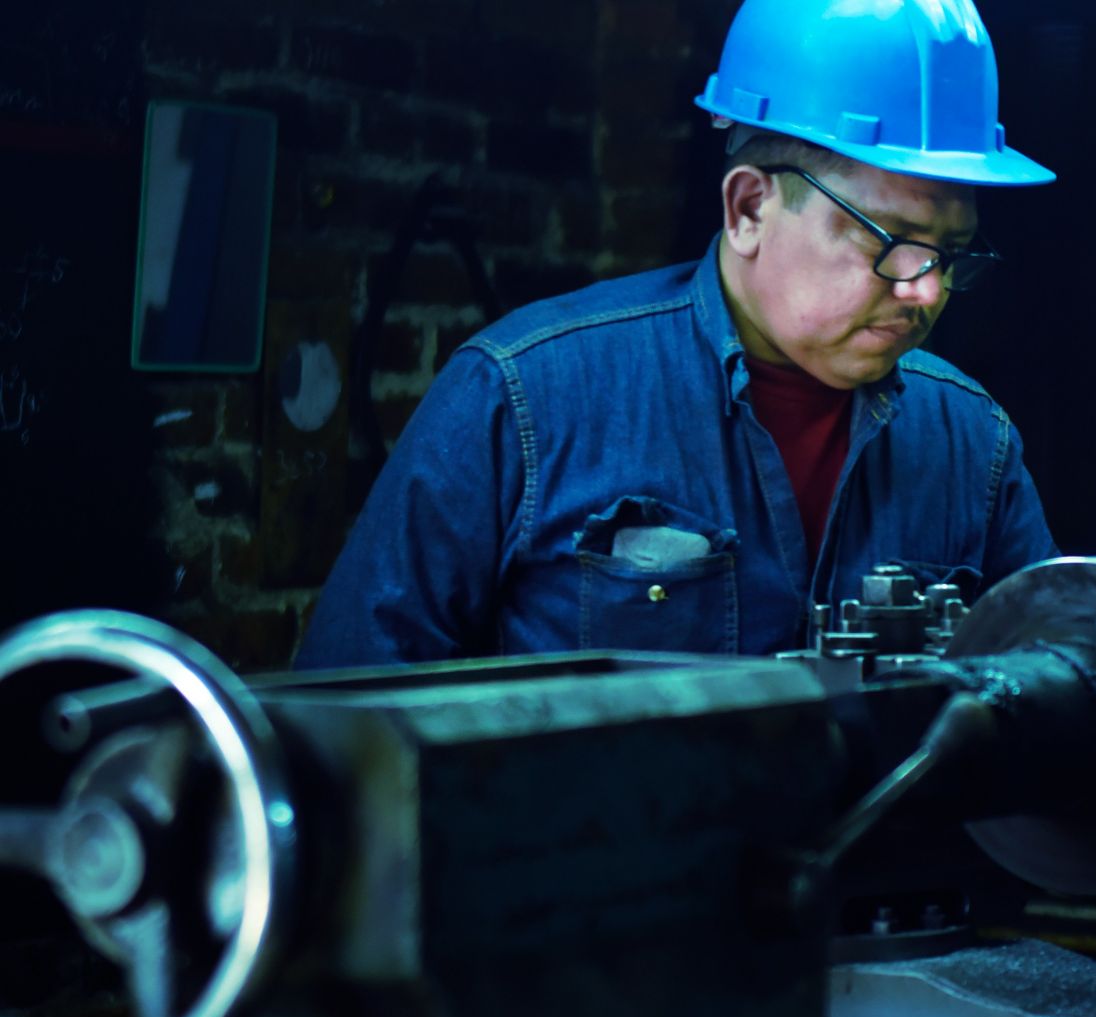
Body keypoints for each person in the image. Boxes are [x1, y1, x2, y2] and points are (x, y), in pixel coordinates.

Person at [294, 0, 1057, 667]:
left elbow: (1053, 712)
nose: (926, 289)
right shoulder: (524, 398)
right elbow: (343, 718)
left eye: (950, 254)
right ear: (750, 209)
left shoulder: (972, 444)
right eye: (892, 240)